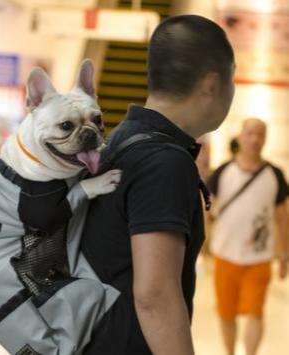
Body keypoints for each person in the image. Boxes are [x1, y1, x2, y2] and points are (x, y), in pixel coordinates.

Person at [81, 15, 235, 355]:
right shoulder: (164, 162)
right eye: (232, 78)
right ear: (211, 84)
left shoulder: (122, 138)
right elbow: (155, 296)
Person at [207, 118, 289, 355]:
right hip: (225, 254)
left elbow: (282, 217)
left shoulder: (275, 174)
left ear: (265, 139)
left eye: (260, 134)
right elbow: (206, 211)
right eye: (250, 133)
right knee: (226, 312)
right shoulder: (223, 171)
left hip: (259, 257)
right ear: (241, 137)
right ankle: (230, 352)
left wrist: (284, 254)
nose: (255, 139)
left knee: (255, 311)